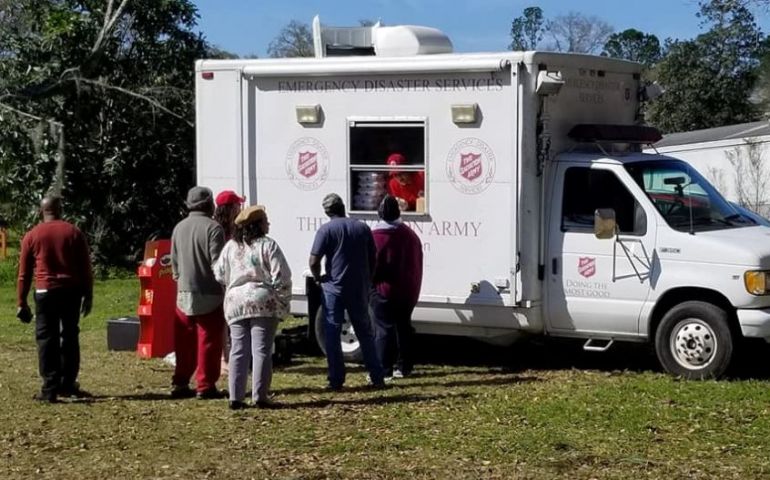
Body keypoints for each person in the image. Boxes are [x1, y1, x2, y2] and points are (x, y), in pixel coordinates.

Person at [213, 205, 291, 410]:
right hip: (262, 302)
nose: (269, 223)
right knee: (261, 350)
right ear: (258, 224)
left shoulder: (231, 246)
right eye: (266, 220)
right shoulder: (268, 245)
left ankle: (235, 397)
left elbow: (219, 273)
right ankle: (260, 396)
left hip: (236, 302)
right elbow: (281, 275)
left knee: (238, 349)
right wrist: (282, 299)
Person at [16, 196, 93, 403]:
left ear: (41, 212)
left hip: (44, 292)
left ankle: (49, 388)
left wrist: (21, 302)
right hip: (71, 291)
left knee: (46, 338)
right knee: (69, 335)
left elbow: (24, 274)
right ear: (60, 210)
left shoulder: (32, 235)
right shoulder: (74, 232)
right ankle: (68, 384)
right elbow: (86, 267)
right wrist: (88, 293)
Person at [309, 193, 385, 390]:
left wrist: (318, 278)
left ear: (327, 212)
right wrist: (368, 278)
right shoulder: (362, 227)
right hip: (358, 286)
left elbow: (314, 260)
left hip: (334, 288)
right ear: (343, 207)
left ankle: (336, 379)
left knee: (332, 332)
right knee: (365, 332)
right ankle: (377, 376)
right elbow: (373, 257)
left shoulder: (326, 230)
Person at [170, 186, 227, 399]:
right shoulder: (214, 228)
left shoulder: (179, 228)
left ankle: (181, 382)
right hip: (209, 291)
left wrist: (180, 280)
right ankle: (205, 385)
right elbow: (217, 263)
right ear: (209, 204)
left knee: (184, 341)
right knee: (209, 341)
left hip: (184, 291)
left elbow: (174, 261)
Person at [370, 195, 423, 378]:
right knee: (404, 328)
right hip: (408, 291)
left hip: (385, 290)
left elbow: (373, 267)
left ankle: (384, 370)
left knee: (384, 329)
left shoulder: (377, 237)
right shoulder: (410, 234)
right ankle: (404, 367)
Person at [213, 190, 245, 374]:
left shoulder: (232, 228)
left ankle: (228, 356)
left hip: (229, 280)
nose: (240, 208)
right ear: (231, 208)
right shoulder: (220, 231)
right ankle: (223, 359)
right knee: (223, 321)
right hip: (222, 280)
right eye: (238, 205)